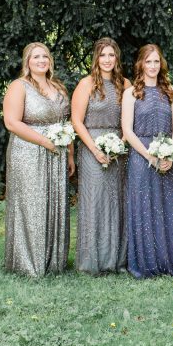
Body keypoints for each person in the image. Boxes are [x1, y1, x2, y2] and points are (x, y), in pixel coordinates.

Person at [3, 42, 74, 278]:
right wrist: (45, 142)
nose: (41, 60)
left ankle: (53, 261)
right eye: (36, 57)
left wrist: (70, 153)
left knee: (54, 203)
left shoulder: (58, 87)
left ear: (50, 60)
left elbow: (66, 122)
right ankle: (28, 262)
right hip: (28, 152)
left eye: (45, 56)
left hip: (57, 154)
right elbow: (12, 123)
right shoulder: (19, 86)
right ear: (27, 62)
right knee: (32, 204)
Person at [122, 44, 173, 279]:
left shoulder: (170, 91)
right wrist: (150, 156)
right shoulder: (131, 93)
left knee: (166, 207)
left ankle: (169, 260)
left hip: (166, 157)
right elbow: (127, 130)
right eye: (148, 61)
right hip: (141, 157)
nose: (152, 66)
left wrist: (170, 153)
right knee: (144, 207)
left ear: (161, 64)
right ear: (140, 64)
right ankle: (145, 262)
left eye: (156, 61)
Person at [71, 37, 131, 275]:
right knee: (95, 201)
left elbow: (130, 121)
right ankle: (92, 260)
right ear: (96, 58)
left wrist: (120, 145)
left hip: (119, 149)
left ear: (117, 58)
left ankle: (116, 260)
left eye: (111, 55)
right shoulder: (86, 84)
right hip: (91, 147)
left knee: (117, 201)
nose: (107, 60)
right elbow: (77, 121)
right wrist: (96, 150)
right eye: (103, 55)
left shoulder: (125, 85)